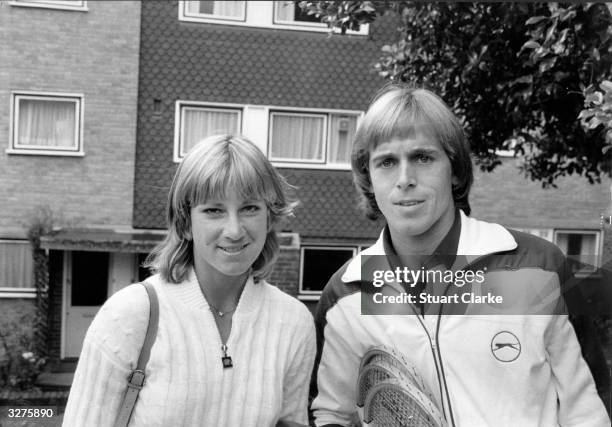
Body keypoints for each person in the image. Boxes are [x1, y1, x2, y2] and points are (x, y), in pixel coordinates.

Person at [310, 85, 610, 426]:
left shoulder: (537, 267)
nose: (405, 179)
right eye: (387, 162)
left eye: (423, 157)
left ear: (454, 168)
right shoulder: (346, 294)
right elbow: (329, 413)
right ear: (369, 178)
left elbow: (589, 406)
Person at [63, 135, 316, 426]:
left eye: (250, 208)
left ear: (269, 218)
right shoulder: (130, 314)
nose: (234, 230)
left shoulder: (295, 322)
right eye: (213, 210)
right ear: (185, 223)